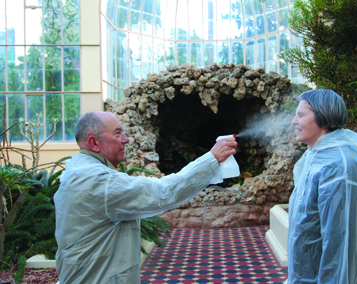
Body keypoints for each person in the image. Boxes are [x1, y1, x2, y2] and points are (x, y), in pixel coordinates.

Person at [54, 111, 237, 284]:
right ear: (94, 143)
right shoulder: (97, 182)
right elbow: (163, 193)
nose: (126, 140)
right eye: (118, 134)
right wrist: (212, 158)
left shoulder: (77, 171)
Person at [286, 89, 357, 283]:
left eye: (301, 115)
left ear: (324, 118)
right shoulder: (316, 158)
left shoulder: (341, 168)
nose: (294, 121)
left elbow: (343, 249)